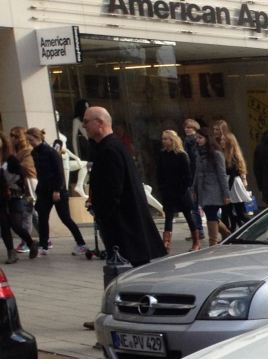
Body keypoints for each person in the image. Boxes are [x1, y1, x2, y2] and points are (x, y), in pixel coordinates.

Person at [82, 106, 165, 269]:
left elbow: (113, 189)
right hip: (125, 225)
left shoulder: (110, 149)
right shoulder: (108, 147)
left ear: (99, 123)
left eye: (86, 122)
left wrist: (101, 212)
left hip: (124, 226)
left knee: (131, 274)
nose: (84, 126)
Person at [27, 127, 88, 256]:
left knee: (65, 218)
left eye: (31, 139)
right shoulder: (35, 153)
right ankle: (44, 246)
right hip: (43, 190)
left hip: (57, 190)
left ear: (37, 138)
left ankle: (81, 244)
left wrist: (57, 190)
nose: (29, 142)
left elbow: (59, 173)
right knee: (43, 218)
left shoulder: (51, 152)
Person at [156, 129, 198, 252]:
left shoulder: (181, 155)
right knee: (168, 217)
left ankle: (196, 241)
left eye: (166, 139)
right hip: (168, 191)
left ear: (172, 140)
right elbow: (159, 173)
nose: (163, 141)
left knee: (188, 216)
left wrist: (183, 188)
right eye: (163, 139)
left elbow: (187, 175)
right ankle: (166, 242)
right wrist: (162, 188)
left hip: (181, 191)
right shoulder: (162, 154)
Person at [1, 138, 38, 263]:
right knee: (4, 225)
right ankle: (11, 253)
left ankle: (31, 243)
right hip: (1, 198)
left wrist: (16, 186)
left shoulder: (10, 159)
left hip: (14, 196)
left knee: (16, 225)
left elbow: (22, 174)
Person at [191, 126, 229, 244]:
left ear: (207, 138)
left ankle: (213, 242)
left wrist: (226, 194)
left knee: (211, 215)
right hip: (203, 190)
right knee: (210, 215)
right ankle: (228, 234)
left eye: (200, 138)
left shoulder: (216, 154)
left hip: (214, 189)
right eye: (197, 138)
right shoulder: (198, 154)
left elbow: (222, 174)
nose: (198, 140)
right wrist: (194, 188)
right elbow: (197, 173)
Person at [214, 121, 249, 232]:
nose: (222, 142)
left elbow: (233, 173)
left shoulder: (232, 155)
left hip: (232, 185)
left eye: (224, 141)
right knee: (227, 211)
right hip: (228, 183)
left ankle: (242, 229)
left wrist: (227, 190)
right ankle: (231, 231)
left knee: (238, 212)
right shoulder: (222, 153)